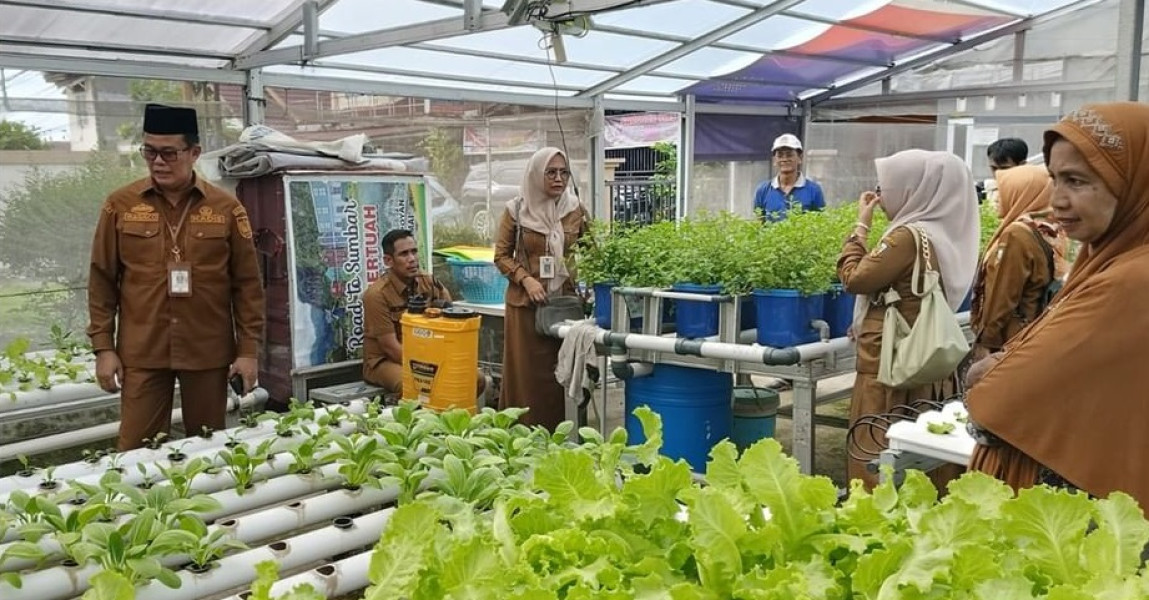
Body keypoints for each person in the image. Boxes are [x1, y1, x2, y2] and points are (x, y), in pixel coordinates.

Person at [966, 103, 1149, 509]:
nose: (1056, 200)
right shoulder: (1107, 259)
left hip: (1064, 514)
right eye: (1054, 179)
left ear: (1136, 184)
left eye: (1077, 181)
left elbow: (992, 408)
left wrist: (992, 365)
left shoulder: (1130, 281)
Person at [88, 103, 264, 451]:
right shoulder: (119, 205)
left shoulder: (226, 209)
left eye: (169, 153)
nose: (158, 162)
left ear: (194, 152)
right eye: (149, 151)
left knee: (206, 444)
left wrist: (248, 351)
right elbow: (102, 279)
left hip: (207, 351)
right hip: (142, 350)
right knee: (136, 448)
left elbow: (247, 286)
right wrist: (103, 348)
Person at [836, 149, 979, 488]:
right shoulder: (944, 232)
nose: (881, 197)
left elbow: (855, 278)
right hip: (922, 353)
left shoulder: (906, 237)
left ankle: (875, 515)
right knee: (922, 441)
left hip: (890, 360)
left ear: (914, 189)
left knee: (876, 440)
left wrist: (860, 227)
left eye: (887, 187)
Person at [494, 147, 590, 430]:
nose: (558, 178)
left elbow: (595, 252)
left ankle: (559, 434)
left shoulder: (576, 211)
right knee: (527, 377)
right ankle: (522, 435)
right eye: (551, 172)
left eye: (564, 172)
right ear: (536, 175)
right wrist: (526, 279)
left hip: (566, 306)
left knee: (559, 374)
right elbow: (501, 256)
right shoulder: (517, 210)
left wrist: (590, 285)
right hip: (526, 308)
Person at [362, 228, 487, 400]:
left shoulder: (428, 282)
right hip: (386, 361)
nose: (412, 259)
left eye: (414, 251)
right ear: (388, 260)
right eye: (404, 254)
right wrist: (430, 367)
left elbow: (451, 318)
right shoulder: (376, 295)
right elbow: (390, 347)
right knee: (415, 386)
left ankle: (453, 423)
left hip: (430, 354)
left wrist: (445, 362)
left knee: (476, 379)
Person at [968, 165, 1067, 361]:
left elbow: (1002, 294)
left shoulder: (1017, 234)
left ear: (1022, 193)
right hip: (1032, 333)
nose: (995, 197)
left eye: (1001, 191)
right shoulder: (1050, 228)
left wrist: (985, 340)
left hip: (1007, 340)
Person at [753, 134, 825, 223]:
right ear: (774, 160)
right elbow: (759, 224)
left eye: (789, 155)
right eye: (780, 155)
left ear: (800, 158)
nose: (784, 159)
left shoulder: (814, 190)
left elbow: (820, 223)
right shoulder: (763, 190)